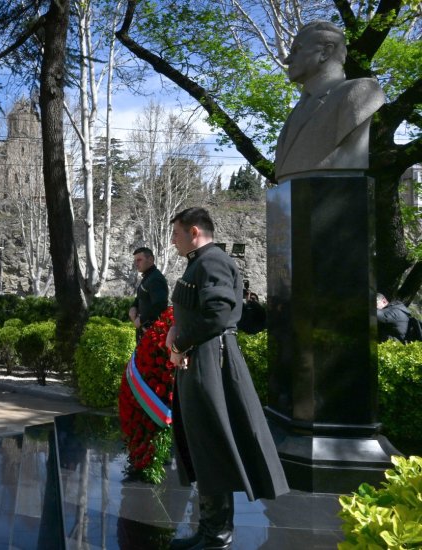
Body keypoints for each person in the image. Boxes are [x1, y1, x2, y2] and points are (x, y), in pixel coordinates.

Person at [165, 207, 288, 550]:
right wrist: (178, 332)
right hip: (201, 359)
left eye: (176, 232)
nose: (173, 239)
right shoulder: (198, 262)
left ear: (194, 231)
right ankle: (210, 530)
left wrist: (179, 341)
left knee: (211, 445)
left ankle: (217, 536)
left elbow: (218, 314)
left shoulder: (213, 261)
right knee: (204, 445)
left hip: (210, 360)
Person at [274, 21, 385, 182]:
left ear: (326, 52)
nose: (287, 60)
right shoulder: (297, 110)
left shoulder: (361, 92)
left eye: (297, 50)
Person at [127, 247, 169, 341]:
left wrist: (141, 320)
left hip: (152, 334)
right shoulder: (148, 276)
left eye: (139, 260)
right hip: (145, 333)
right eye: (135, 261)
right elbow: (141, 297)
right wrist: (133, 306)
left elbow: (160, 305)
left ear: (150, 259)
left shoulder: (155, 279)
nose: (136, 263)